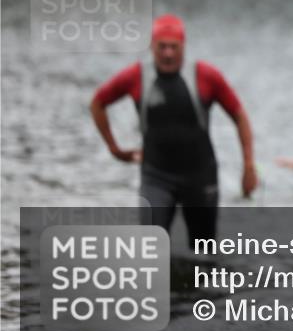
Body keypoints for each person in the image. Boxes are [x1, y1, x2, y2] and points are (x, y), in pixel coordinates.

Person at [90, 14, 258, 248]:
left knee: (204, 254)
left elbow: (240, 116)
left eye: (174, 47)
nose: (168, 53)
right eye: (162, 47)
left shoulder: (205, 76)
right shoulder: (136, 77)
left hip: (200, 177)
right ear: (152, 47)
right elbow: (98, 102)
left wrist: (248, 165)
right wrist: (114, 148)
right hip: (156, 176)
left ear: (183, 47)